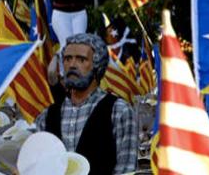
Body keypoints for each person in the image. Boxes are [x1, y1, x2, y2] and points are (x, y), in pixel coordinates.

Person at [35, 33, 137, 175]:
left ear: (97, 65)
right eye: (68, 59)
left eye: (81, 60)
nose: (72, 65)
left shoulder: (119, 111)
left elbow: (126, 170)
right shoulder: (46, 116)